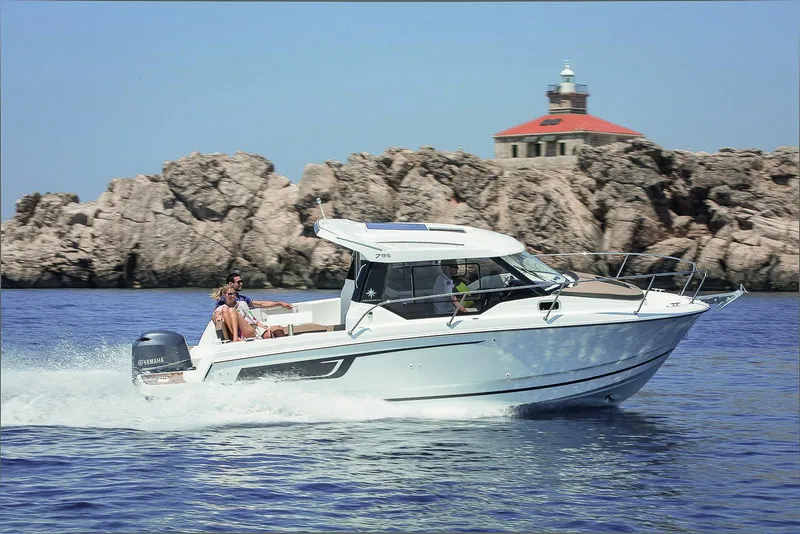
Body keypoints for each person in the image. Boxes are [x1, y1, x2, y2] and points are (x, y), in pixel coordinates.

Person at [211, 287, 286, 341]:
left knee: (278, 329)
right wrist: (218, 317)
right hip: (241, 333)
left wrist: (264, 327)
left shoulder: (242, 304)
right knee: (230, 310)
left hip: (249, 328)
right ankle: (235, 337)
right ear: (224, 295)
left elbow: (252, 318)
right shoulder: (222, 308)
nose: (233, 296)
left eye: (234, 294)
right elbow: (216, 314)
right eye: (230, 294)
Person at [214, 272, 294, 311]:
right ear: (231, 283)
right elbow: (217, 312)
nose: (241, 284)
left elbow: (261, 304)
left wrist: (279, 303)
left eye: (241, 281)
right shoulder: (224, 299)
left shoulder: (243, 299)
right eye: (238, 282)